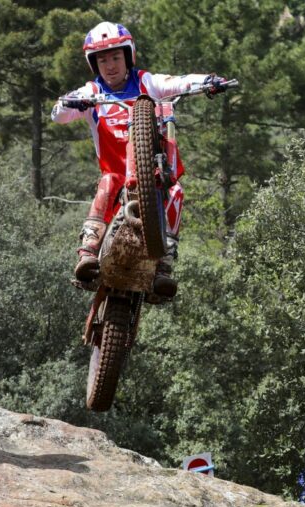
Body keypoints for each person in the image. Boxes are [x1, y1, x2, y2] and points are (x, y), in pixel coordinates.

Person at [51, 21, 226, 301]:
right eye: (103, 60)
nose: (110, 66)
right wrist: (71, 102)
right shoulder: (92, 92)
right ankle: (87, 251)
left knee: (176, 192)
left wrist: (208, 82)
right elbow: (58, 115)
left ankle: (164, 263)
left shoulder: (146, 82)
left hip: (153, 175)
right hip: (116, 178)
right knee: (107, 181)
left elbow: (177, 82)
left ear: (128, 56)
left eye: (115, 57)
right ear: (94, 64)